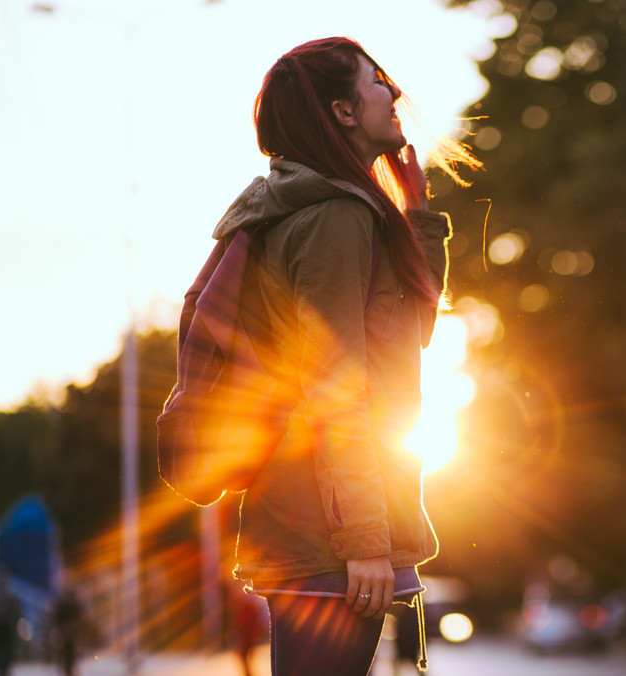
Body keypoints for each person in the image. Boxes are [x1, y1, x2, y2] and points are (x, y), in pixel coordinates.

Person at [216, 37, 477, 676]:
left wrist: (416, 219)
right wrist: (364, 543)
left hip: (327, 526)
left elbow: (405, 338)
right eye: (376, 80)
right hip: (328, 534)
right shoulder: (334, 216)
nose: (392, 92)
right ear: (343, 112)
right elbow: (336, 388)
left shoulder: (343, 210)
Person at [0, 569, 18, 676]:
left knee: (3, 651)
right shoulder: (10, 593)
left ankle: (3, 669)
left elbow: (15, 611)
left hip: (3, 627)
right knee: (5, 651)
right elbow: (15, 611)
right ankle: (4, 669)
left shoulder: (8, 593)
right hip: (5, 627)